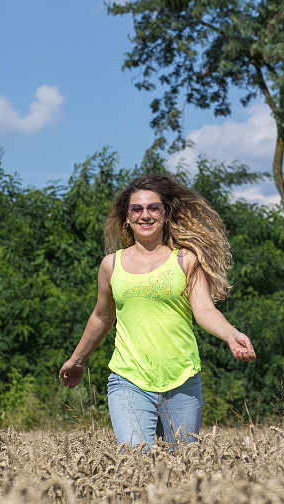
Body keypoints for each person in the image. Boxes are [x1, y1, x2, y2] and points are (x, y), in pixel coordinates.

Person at [58, 174, 255, 450]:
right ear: (127, 217)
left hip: (182, 380)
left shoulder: (187, 260)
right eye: (136, 209)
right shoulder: (111, 265)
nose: (145, 215)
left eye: (154, 208)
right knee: (134, 462)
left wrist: (231, 334)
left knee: (181, 468)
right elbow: (102, 317)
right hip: (128, 378)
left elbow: (204, 309)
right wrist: (77, 360)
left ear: (165, 214)